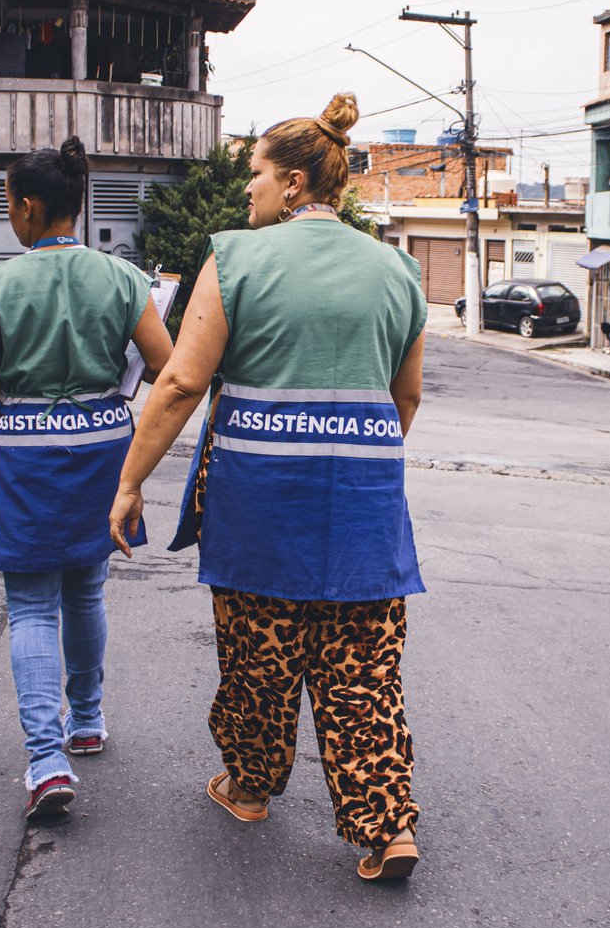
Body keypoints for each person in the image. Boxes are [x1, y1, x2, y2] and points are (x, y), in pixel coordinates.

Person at [107, 93, 429, 882]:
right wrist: (354, 461)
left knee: (260, 656)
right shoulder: (397, 267)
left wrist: (129, 482)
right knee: (362, 671)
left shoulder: (237, 259)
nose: (244, 189)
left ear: (291, 184)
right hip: (364, 507)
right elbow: (407, 396)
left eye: (253, 172)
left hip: (258, 501)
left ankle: (250, 787)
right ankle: (387, 828)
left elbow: (181, 382)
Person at [0, 137, 173, 819]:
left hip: (25, 459)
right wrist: (118, 391)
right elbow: (168, 368)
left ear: (28, 206)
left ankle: (47, 760)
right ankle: (87, 718)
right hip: (105, 453)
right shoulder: (125, 280)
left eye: (9, 203)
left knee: (31, 607)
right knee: (85, 590)